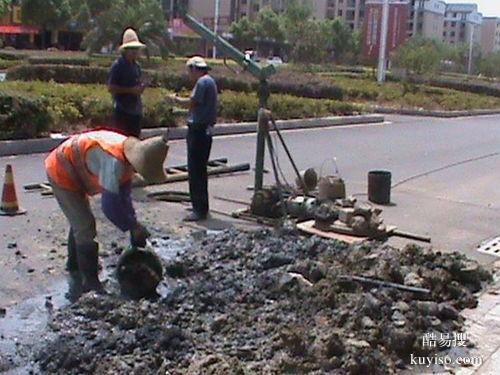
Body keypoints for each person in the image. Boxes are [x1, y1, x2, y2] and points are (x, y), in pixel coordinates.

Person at [45, 129, 168, 300]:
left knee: (79, 220)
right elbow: (109, 206)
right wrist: (132, 227)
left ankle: (74, 266)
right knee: (84, 225)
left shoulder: (127, 156)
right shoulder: (114, 162)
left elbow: (123, 197)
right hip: (61, 171)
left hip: (76, 169)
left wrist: (133, 223)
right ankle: (91, 284)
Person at [167, 56, 218, 222]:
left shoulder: (202, 83)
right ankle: (200, 205)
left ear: (194, 69)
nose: (189, 75)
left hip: (198, 130)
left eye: (189, 71)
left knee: (195, 171)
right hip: (205, 130)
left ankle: (199, 209)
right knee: (200, 170)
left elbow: (192, 103)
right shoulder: (210, 81)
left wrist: (174, 99)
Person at [107, 28, 146, 137]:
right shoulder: (118, 66)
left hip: (135, 112)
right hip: (122, 111)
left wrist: (140, 88)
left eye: (136, 49)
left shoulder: (137, 66)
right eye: (131, 49)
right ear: (125, 50)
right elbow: (111, 87)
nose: (134, 51)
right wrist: (130, 91)